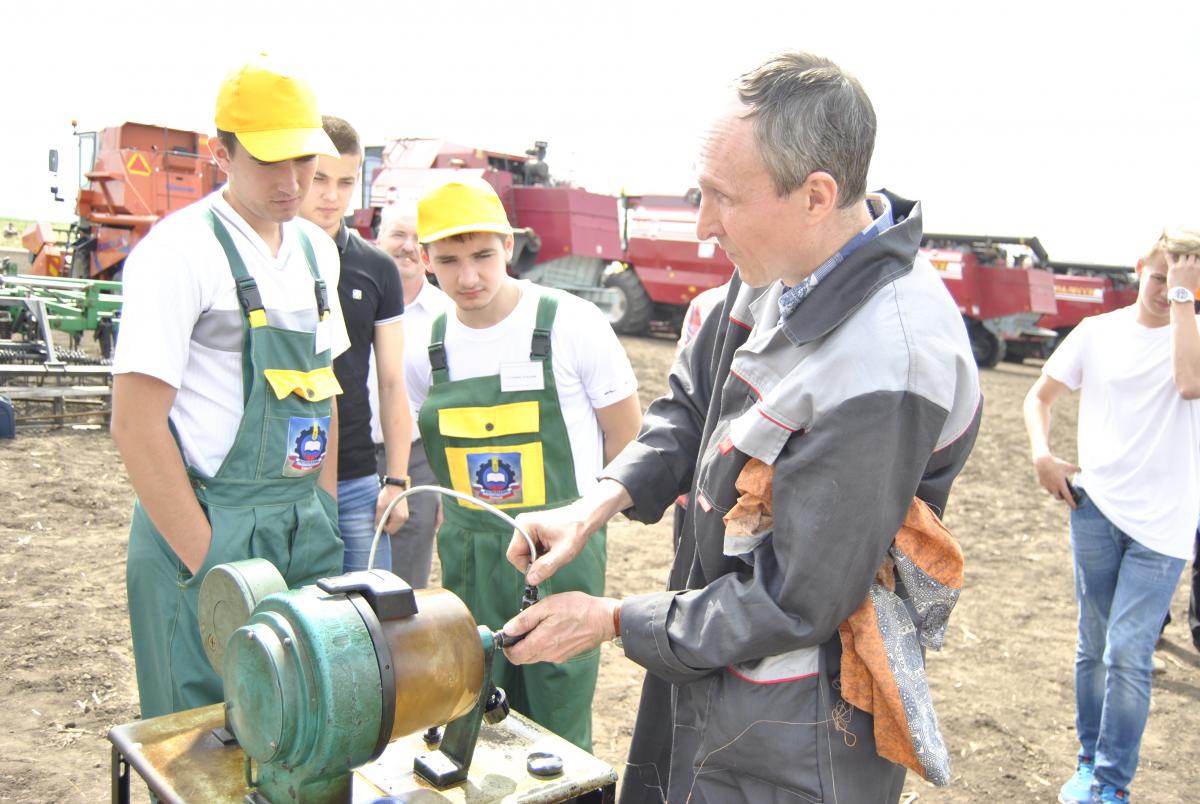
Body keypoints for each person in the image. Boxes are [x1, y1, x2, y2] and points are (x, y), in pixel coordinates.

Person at [499, 51, 982, 804]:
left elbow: (797, 598)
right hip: (706, 649)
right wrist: (596, 502)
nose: (700, 227)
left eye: (721, 198)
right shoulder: (778, 260)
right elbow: (692, 402)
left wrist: (612, 621)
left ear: (817, 194)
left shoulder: (889, 360)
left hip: (797, 721)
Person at [111, 57, 349, 718]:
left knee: (304, 722)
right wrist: (209, 562)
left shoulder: (315, 252)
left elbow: (324, 390)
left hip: (301, 523)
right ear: (221, 154)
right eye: (271, 161)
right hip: (212, 521)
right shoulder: (180, 252)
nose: (294, 180)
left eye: (304, 159)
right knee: (204, 736)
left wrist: (321, 508)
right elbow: (135, 425)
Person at [407, 178, 642, 750]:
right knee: (471, 707)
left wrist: (587, 521)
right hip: (468, 556)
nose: (468, 278)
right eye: (449, 260)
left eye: (483, 255)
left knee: (558, 715)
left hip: (560, 556)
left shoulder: (572, 323)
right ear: (424, 260)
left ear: (508, 245)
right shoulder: (425, 348)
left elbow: (628, 437)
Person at [1023, 228, 1200, 804]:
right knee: (1093, 644)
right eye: (1159, 277)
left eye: (1181, 280)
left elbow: (1189, 383)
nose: (1165, 289)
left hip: (1165, 527)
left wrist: (1182, 301)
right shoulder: (1097, 333)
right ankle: (1087, 762)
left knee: (1128, 652)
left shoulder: (1193, 336)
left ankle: (1111, 785)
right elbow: (1039, 397)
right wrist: (1042, 455)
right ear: (1137, 268)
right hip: (1095, 510)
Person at [299, 116, 410, 573]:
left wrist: (397, 481)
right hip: (279, 480)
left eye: (345, 182)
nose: (331, 195)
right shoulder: (264, 258)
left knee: (367, 620)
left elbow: (389, 381)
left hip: (357, 478)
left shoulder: (377, 268)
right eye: (320, 178)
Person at [371, 201, 451, 587]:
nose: (407, 246)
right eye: (398, 235)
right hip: (350, 456)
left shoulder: (447, 314)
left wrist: (445, 491)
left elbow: (453, 405)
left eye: (417, 239)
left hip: (420, 460)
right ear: (377, 238)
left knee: (405, 584)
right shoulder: (350, 298)